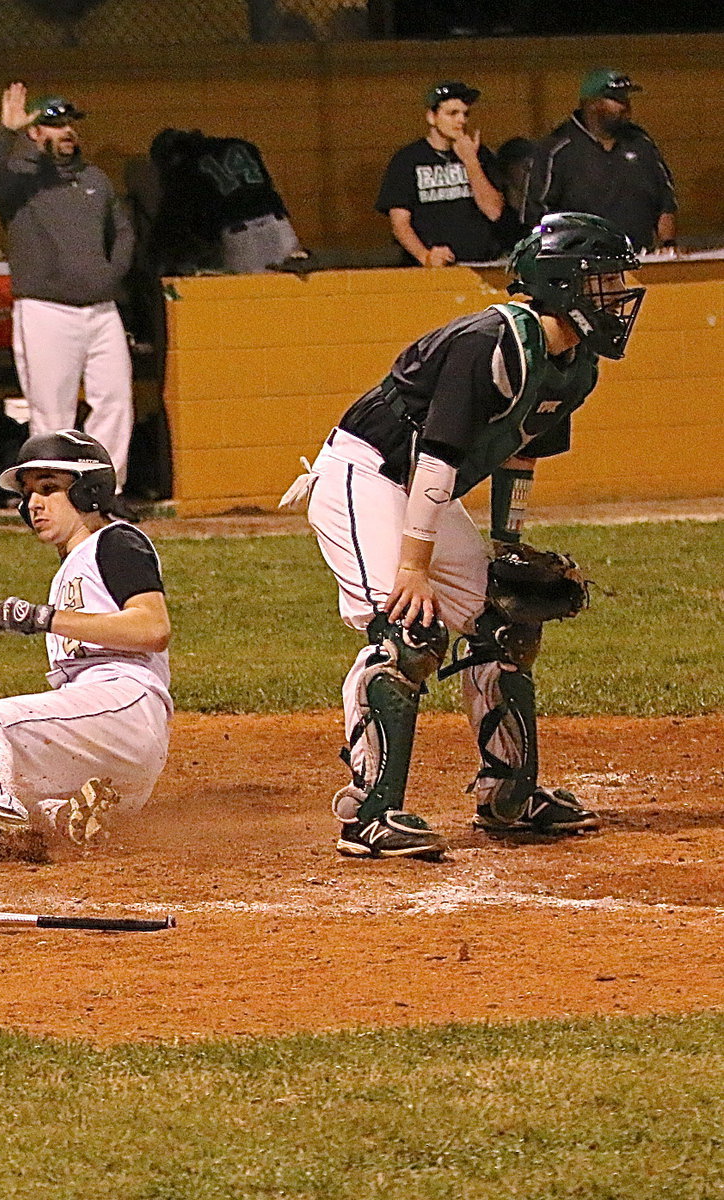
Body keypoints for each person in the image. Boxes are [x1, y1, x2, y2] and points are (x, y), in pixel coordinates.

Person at [279, 212, 645, 860]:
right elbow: (438, 457)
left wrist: (507, 540)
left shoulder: (574, 367)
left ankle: (508, 794)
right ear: (562, 284)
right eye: (603, 280)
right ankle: (370, 813)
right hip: (366, 473)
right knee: (409, 625)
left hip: (421, 485)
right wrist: (413, 569)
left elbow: (521, 455)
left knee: (502, 615)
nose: (615, 295)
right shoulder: (493, 342)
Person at [0, 429, 172, 860]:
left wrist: (45, 618)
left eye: (49, 489)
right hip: (100, 743)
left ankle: (5, 832)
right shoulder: (72, 565)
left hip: (125, 708)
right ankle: (64, 815)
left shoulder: (115, 541)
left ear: (89, 492)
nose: (33, 504)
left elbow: (153, 627)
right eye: (29, 495)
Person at [0, 84, 139, 520]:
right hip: (46, 309)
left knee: (115, 399)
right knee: (52, 409)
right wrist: (5, 133)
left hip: (101, 309)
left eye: (68, 124)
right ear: (34, 132)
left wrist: (112, 271)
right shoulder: (20, 180)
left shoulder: (93, 178)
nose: (65, 131)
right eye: (52, 124)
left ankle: (107, 492)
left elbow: (122, 231)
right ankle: (49, 497)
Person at [522, 68, 677, 253]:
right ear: (592, 104)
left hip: (640, 260)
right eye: (617, 99)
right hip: (579, 263)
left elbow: (665, 201)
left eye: (626, 98)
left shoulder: (640, 142)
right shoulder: (557, 149)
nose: (626, 106)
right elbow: (536, 213)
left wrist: (668, 245)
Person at [376, 81, 504, 267]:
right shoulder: (407, 160)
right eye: (452, 113)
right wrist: (425, 256)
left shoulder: (480, 155)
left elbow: (493, 211)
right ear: (432, 117)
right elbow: (400, 223)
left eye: (465, 114)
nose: (461, 120)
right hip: (429, 269)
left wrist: (471, 161)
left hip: (480, 264)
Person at [146, 127, 304, 274]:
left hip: (242, 237)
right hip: (280, 225)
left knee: (252, 297)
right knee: (294, 296)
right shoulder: (241, 145)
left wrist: (153, 256)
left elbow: (171, 220)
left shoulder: (186, 167)